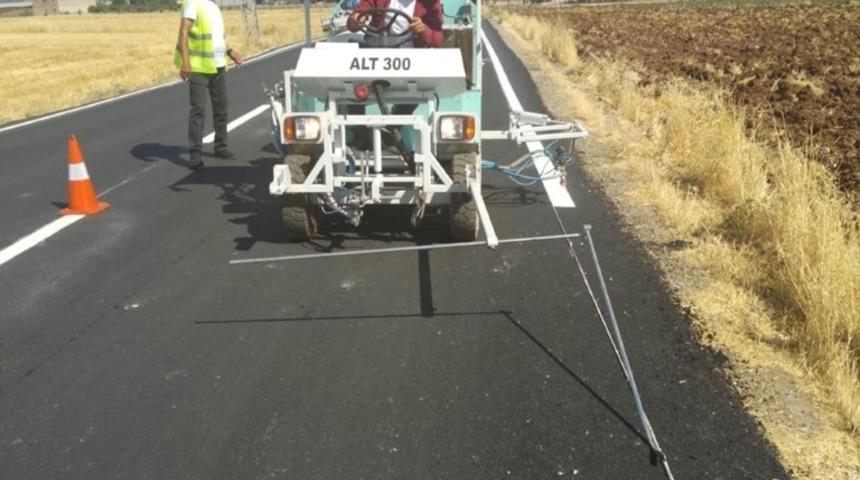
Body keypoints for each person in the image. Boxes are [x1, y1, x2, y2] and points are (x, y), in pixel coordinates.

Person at [175, 0, 244, 170]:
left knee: (221, 108)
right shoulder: (193, 4)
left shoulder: (213, 7)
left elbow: (217, 37)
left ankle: (221, 147)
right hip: (198, 67)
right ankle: (195, 155)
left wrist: (229, 52)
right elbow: (183, 33)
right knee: (198, 110)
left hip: (218, 65)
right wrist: (185, 63)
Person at [346, 0, 444, 48]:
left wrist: (423, 29)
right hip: (376, 48)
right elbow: (352, 24)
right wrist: (356, 20)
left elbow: (437, 40)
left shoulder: (431, 3)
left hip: (410, 53)